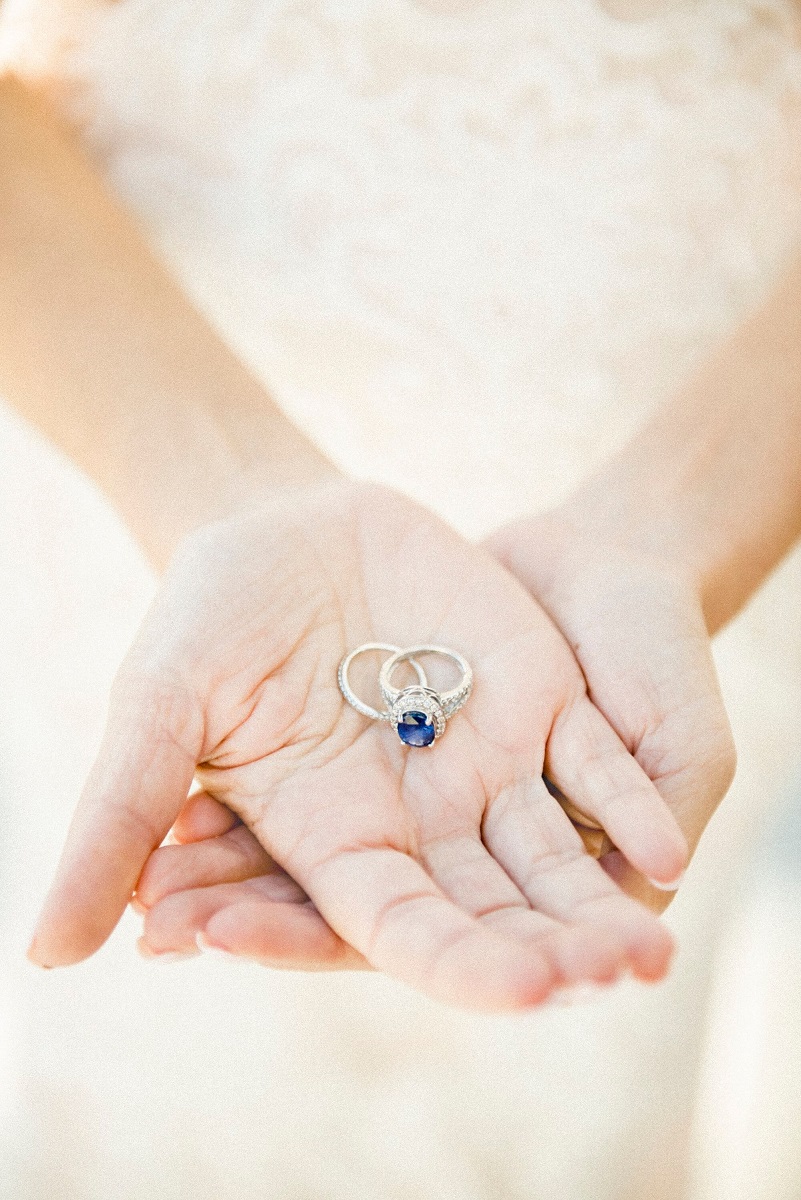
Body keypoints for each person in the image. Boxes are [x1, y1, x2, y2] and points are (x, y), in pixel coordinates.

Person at [1, 0, 800, 1195]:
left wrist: (677, 529)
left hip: (695, 509)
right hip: (117, 430)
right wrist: (223, 490)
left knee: (572, 1086)